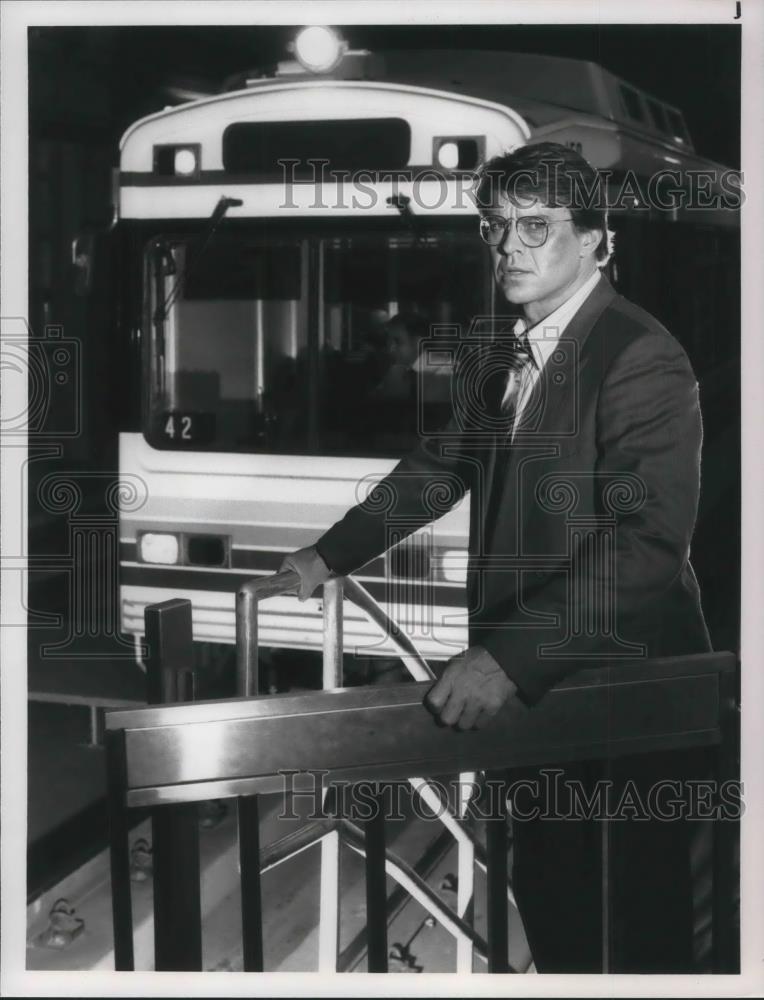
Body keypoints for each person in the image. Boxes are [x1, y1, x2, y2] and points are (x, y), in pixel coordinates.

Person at [281, 142, 714, 972]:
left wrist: (506, 660)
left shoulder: (640, 355)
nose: (509, 246)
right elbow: (441, 466)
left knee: (634, 939)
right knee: (556, 914)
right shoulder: (508, 347)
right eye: (497, 226)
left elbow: (648, 543)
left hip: (618, 704)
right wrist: (326, 558)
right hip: (540, 700)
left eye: (536, 226)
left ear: (595, 241)